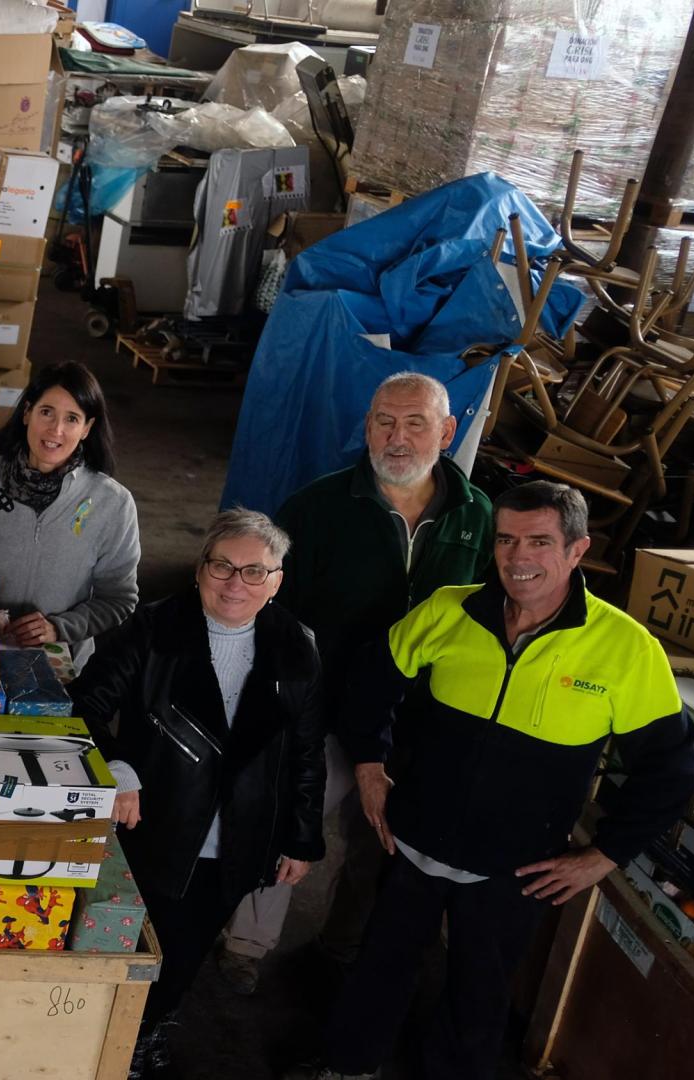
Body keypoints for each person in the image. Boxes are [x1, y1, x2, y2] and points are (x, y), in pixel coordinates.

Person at [295, 482, 694, 1080]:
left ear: (577, 549)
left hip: (517, 869)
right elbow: (371, 680)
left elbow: (672, 766)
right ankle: (348, 1066)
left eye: (539, 541)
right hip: (413, 841)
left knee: (477, 996)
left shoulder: (625, 649)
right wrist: (369, 766)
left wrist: (605, 855)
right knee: (380, 966)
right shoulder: (450, 609)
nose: (517, 558)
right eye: (506, 539)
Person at [219, 372, 494, 992]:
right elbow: (271, 610)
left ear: (447, 432)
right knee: (291, 818)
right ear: (367, 427)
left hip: (418, 715)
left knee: (382, 838)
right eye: (384, 422)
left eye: (415, 423)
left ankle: (342, 945)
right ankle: (245, 945)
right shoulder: (317, 507)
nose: (397, 437)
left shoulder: (474, 516)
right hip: (324, 702)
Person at [69, 509, 326, 1080]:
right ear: (199, 569)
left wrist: (302, 838)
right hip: (155, 827)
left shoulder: (295, 644)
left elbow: (305, 752)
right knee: (125, 944)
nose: (236, 583)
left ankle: (142, 1039)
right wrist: (117, 768)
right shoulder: (153, 628)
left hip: (239, 836)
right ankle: (94, 1040)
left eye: (255, 572)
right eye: (222, 566)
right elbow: (82, 704)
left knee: (183, 954)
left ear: (277, 580)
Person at [0, 362, 139, 666]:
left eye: (72, 418)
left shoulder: (113, 503)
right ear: (27, 413)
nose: (56, 430)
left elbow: (119, 597)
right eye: (46, 412)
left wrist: (59, 627)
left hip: (61, 663)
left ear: (87, 428)